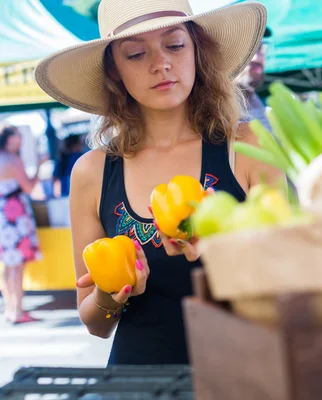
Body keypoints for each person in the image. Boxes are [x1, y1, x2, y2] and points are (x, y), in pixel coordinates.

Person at [35, 0, 282, 365]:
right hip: (135, 383)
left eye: (175, 45)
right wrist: (111, 296)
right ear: (115, 71)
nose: (161, 63)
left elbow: (291, 281)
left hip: (243, 376)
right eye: (135, 54)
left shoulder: (247, 146)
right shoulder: (92, 172)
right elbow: (95, 324)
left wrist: (218, 255)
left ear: (197, 50)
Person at [0, 125, 43, 324]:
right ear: (9, 139)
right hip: (14, 213)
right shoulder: (13, 160)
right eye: (17, 135)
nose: (20, 139)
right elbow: (28, 187)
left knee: (8, 265)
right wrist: (40, 167)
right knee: (18, 265)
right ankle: (18, 310)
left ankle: (10, 309)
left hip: (2, 214)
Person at [235, 29, 272, 131]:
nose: (256, 58)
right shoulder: (217, 111)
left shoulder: (256, 101)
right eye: (248, 50)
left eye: (260, 48)